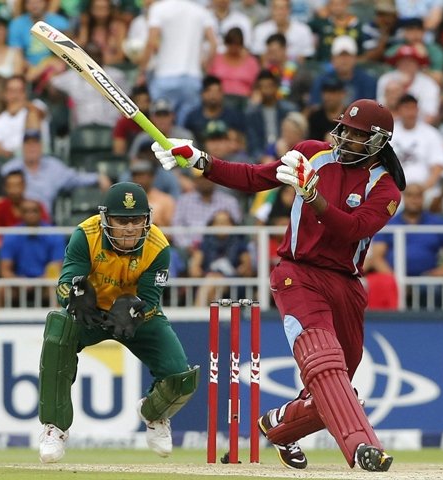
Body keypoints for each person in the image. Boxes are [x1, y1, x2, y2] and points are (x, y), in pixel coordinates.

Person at [152, 98, 406, 472]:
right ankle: (362, 446)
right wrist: (200, 160)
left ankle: (279, 426)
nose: (347, 137)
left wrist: (313, 196)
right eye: (346, 129)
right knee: (323, 363)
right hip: (297, 274)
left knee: (333, 391)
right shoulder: (310, 155)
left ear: (377, 142)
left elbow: (351, 229)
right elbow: (254, 178)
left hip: (346, 285)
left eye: (358, 134)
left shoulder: (386, 190)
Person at [37, 181, 198, 463]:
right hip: (92, 312)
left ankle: (154, 414)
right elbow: (64, 285)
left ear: (146, 219)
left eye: (136, 220)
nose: (128, 228)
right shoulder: (85, 235)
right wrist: (74, 296)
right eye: (121, 220)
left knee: (180, 378)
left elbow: (150, 299)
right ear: (105, 219)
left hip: (134, 315)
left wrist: (137, 310)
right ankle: (55, 427)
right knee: (58, 331)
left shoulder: (158, 246)